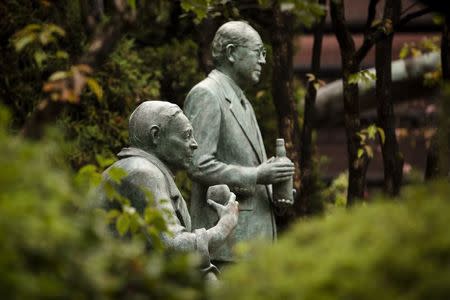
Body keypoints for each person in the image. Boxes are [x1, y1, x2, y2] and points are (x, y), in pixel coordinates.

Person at [184, 21, 295, 268]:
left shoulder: (242, 99)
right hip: (226, 247)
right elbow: (197, 164)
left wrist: (276, 187)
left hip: (251, 245)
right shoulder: (207, 94)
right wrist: (257, 174)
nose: (263, 61)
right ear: (232, 52)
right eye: (259, 52)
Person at [100, 100, 239, 279]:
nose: (194, 144)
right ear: (156, 135)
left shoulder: (148, 171)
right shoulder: (141, 172)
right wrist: (223, 228)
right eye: (186, 135)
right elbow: (173, 248)